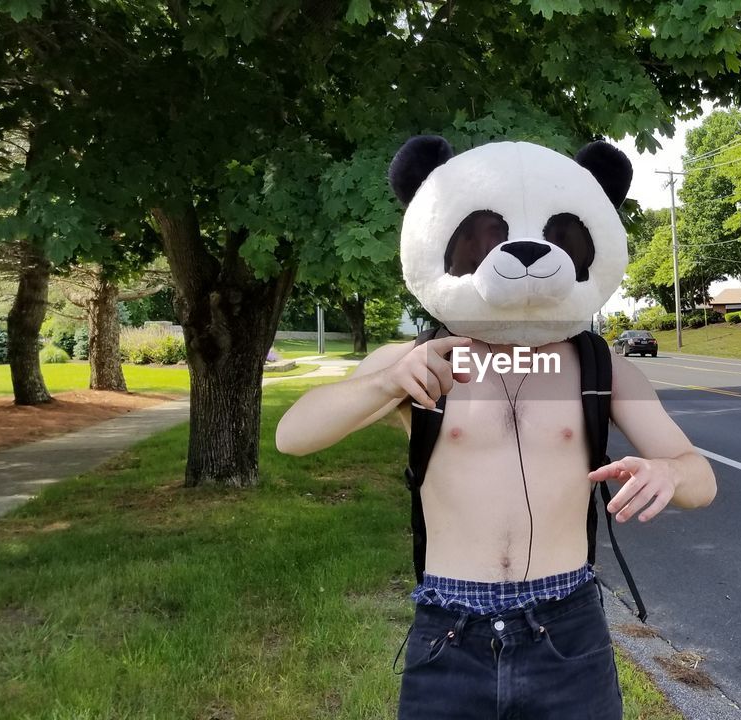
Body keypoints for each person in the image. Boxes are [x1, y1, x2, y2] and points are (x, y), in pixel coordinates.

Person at [275, 136, 716, 719]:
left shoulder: (601, 366)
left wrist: (666, 470)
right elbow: (293, 436)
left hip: (565, 624)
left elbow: (700, 479)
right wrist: (386, 383)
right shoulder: (415, 360)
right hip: (449, 628)